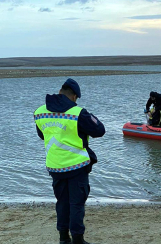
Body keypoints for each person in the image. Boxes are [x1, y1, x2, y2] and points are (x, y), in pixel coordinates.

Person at [34, 78, 106, 244]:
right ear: (74, 96)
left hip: (55, 166)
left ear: (60, 92)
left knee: (62, 203)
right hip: (76, 166)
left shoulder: (39, 112)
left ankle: (64, 238)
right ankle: (78, 239)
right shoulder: (78, 113)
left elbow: (42, 135)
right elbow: (99, 130)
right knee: (76, 204)